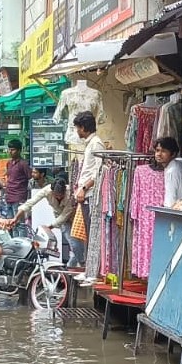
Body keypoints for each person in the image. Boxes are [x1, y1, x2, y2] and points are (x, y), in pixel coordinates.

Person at [72, 111, 106, 283]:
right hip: (86, 195)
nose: (77, 132)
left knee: (93, 234)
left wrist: (83, 188)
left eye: (77, 128)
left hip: (91, 194)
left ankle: (93, 273)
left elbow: (99, 171)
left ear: (83, 127)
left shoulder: (96, 144)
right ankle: (89, 271)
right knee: (88, 232)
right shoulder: (91, 143)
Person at [3, 139, 31, 237]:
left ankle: (23, 246)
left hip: (19, 197)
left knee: (20, 225)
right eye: (9, 149)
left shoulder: (24, 164)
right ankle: (15, 246)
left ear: (19, 150)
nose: (10, 152)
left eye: (13, 150)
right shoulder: (9, 163)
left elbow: (30, 179)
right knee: (11, 224)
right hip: (9, 196)